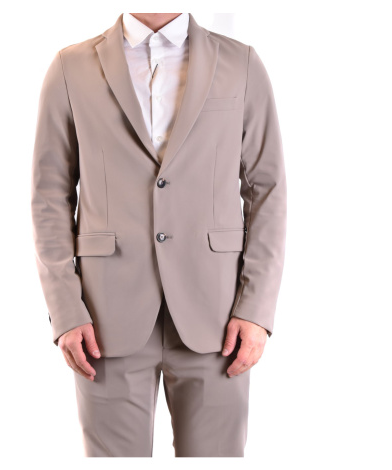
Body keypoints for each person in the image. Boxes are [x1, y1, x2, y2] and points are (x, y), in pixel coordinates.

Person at [31, 12, 287, 457]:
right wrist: (66, 309)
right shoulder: (70, 69)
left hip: (218, 318)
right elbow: (48, 196)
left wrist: (256, 308)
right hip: (103, 319)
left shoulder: (241, 63)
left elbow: (268, 191)